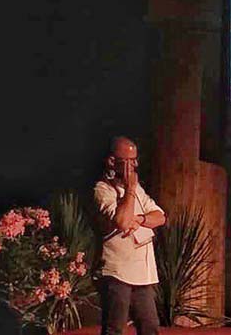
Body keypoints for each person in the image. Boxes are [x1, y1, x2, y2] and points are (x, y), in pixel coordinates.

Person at [94, 136, 167, 335]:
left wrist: (140, 219)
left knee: (149, 326)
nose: (135, 165)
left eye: (135, 160)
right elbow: (122, 221)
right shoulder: (103, 189)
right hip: (117, 270)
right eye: (128, 161)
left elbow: (160, 217)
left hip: (142, 271)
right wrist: (130, 190)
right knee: (115, 327)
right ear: (112, 161)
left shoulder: (138, 190)